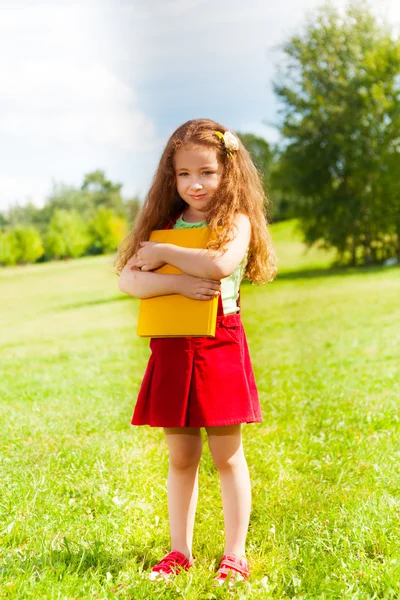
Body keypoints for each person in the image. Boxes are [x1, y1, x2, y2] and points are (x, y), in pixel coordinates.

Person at [115, 118, 277, 587]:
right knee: (182, 456)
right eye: (184, 174)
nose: (196, 183)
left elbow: (220, 263)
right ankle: (179, 552)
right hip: (172, 346)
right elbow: (130, 278)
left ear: (228, 172)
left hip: (219, 343)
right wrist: (178, 282)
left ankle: (235, 555)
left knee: (227, 455)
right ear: (172, 177)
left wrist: (163, 251)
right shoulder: (165, 226)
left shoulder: (235, 223)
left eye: (206, 172)